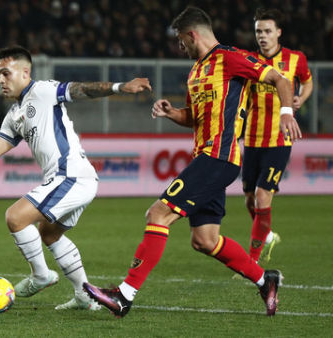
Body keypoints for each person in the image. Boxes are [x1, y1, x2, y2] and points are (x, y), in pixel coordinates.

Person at [83, 6, 301, 318]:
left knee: (158, 213)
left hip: (219, 157)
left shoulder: (231, 57)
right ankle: (265, 279)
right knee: (205, 239)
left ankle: (124, 295)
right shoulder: (196, 71)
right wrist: (173, 113)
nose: (179, 47)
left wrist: (286, 113)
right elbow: (195, 118)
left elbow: (280, 80)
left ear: (191, 34)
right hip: (206, 157)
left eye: (179, 40)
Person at [0, 46, 151, 310]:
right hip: (70, 179)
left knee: (15, 217)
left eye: (5, 73)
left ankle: (41, 275)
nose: (0, 80)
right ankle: (84, 296)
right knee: (49, 233)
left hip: (72, 175)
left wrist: (119, 87)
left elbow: (82, 89)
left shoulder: (43, 91)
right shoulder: (14, 115)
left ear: (25, 72)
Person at [241, 8, 313, 265]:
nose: (262, 36)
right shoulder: (248, 60)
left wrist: (300, 99)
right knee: (249, 198)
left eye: (267, 31)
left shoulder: (295, 59)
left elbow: (308, 81)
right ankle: (267, 234)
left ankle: (253, 259)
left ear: (278, 33)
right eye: (259, 31)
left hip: (279, 139)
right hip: (251, 139)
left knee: (262, 195)